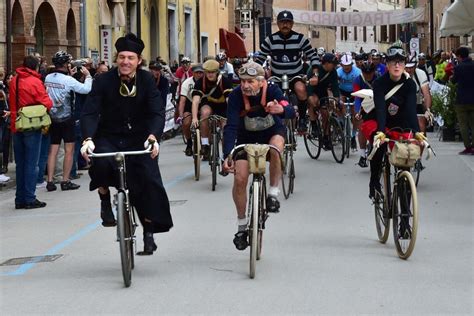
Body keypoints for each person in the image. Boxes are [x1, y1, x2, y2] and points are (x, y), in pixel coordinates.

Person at [81, 33, 172, 255]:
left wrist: (153, 136)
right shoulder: (103, 81)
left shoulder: (147, 79)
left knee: (148, 181)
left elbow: (156, 111)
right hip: (109, 136)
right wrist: (88, 139)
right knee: (99, 163)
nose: (125, 62)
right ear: (116, 58)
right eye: (122, 57)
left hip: (140, 138)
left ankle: (148, 232)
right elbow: (90, 111)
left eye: (131, 58)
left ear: (138, 60)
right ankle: (104, 199)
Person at [222, 61, 295, 250]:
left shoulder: (273, 90)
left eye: (251, 81)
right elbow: (230, 127)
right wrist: (227, 154)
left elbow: (290, 108)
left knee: (276, 148)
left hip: (271, 133)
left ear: (262, 82)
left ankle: (272, 194)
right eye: (243, 81)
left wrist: (281, 109)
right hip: (245, 138)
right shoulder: (236, 96)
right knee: (240, 178)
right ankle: (241, 225)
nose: (245, 85)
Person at [369, 46, 424, 198]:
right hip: (382, 121)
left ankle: (405, 215)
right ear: (387, 65)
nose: (397, 65)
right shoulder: (379, 83)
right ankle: (374, 181)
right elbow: (380, 108)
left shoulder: (410, 84)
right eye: (393, 62)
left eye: (400, 62)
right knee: (378, 144)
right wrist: (380, 131)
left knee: (405, 157)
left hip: (401, 122)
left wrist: (417, 132)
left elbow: (412, 110)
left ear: (405, 65)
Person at [255, 10, 319, 132]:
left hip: (295, 75)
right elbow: (260, 59)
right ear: (278, 24)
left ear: (292, 24)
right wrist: (254, 73)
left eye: (288, 22)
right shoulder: (270, 40)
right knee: (267, 95)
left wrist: (315, 75)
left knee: (301, 89)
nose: (285, 25)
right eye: (282, 22)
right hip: (276, 77)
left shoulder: (300, 39)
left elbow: (313, 56)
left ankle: (302, 119)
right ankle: (268, 122)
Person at [44, 50, 92, 192]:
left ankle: (50, 181)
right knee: (69, 150)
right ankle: (65, 180)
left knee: (53, 150)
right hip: (67, 118)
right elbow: (86, 89)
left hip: (53, 118)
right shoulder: (69, 80)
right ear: (66, 64)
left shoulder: (48, 77)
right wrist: (88, 76)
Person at [9, 55, 53, 209]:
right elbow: (47, 102)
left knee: (21, 163)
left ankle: (19, 198)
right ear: (35, 67)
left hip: (16, 123)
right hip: (32, 125)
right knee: (32, 163)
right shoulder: (35, 81)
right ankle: (29, 198)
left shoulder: (14, 79)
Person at [191, 59, 233, 161]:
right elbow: (195, 101)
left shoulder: (225, 81)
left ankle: (225, 154)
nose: (210, 75)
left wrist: (232, 117)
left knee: (225, 127)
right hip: (208, 104)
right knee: (205, 113)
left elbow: (229, 101)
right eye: (208, 72)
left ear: (217, 72)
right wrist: (195, 118)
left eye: (212, 72)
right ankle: (205, 144)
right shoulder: (200, 82)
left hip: (222, 105)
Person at [306, 53, 340, 149]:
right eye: (333, 64)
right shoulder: (314, 70)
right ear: (326, 63)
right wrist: (310, 97)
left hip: (323, 91)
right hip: (312, 90)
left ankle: (326, 137)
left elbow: (335, 86)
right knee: (313, 102)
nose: (334, 66)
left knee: (326, 114)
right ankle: (313, 124)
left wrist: (336, 99)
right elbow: (309, 86)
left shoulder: (333, 72)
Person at [352, 61, 378, 168]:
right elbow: (357, 97)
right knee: (362, 127)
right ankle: (362, 155)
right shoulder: (357, 80)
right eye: (365, 73)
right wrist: (358, 112)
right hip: (363, 104)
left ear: (374, 72)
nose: (368, 75)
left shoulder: (379, 78)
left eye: (370, 73)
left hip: (376, 103)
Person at [177, 63, 205, 156]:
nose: (199, 75)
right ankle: (189, 143)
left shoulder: (206, 81)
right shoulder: (187, 83)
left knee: (205, 121)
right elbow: (182, 100)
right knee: (186, 122)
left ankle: (206, 144)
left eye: (201, 72)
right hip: (190, 101)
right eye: (197, 72)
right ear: (192, 73)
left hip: (203, 102)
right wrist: (181, 116)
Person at [451, 46, 474, 155]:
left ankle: (468, 147)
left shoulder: (458, 67)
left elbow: (453, 81)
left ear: (460, 56)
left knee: (463, 125)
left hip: (461, 100)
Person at [337, 53, 362, 149]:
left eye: (348, 66)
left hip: (354, 92)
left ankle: (353, 136)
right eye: (344, 66)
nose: (346, 68)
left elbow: (360, 86)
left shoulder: (357, 72)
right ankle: (342, 121)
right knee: (339, 104)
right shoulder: (338, 71)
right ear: (342, 65)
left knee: (355, 114)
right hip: (342, 92)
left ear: (352, 64)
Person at [405, 55, 432, 136]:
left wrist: (428, 110)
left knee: (421, 127)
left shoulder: (421, 73)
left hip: (417, 101)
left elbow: (426, 94)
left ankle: (421, 145)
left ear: (416, 65)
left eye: (411, 67)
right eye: (407, 68)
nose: (409, 70)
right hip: (403, 101)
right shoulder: (399, 73)